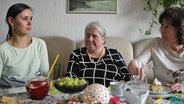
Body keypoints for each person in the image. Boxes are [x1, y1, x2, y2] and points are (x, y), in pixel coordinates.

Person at [128, 6, 184, 92]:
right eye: (162, 25)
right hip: (161, 96)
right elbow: (136, 62)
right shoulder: (156, 44)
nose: (162, 30)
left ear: (180, 29)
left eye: (167, 26)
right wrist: (134, 67)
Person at [67, 21, 131, 87]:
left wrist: (118, 86)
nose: (90, 39)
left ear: (103, 39)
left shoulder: (114, 54)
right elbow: (70, 76)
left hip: (111, 94)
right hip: (85, 94)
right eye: (87, 35)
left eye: (94, 36)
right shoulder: (77, 54)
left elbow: (127, 75)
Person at [0, 3, 49, 88]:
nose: (30, 23)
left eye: (31, 18)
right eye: (25, 19)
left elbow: (44, 75)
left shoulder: (40, 44)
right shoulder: (3, 49)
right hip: (9, 96)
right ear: (11, 21)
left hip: (35, 92)